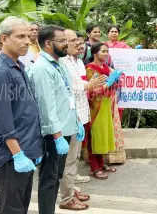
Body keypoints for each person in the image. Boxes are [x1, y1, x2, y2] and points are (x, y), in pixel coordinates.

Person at [0, 17, 44, 214]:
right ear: (4, 38)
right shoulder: (1, 72)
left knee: (21, 207)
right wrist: (17, 153)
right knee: (11, 209)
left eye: (28, 36)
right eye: (20, 36)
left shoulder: (18, 67)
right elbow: (2, 119)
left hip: (26, 149)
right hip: (12, 156)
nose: (27, 41)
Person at [28, 25, 86, 212]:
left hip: (66, 129)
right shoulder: (42, 68)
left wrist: (76, 120)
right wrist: (57, 135)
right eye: (62, 41)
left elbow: (66, 96)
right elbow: (46, 106)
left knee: (56, 175)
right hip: (54, 134)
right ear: (48, 43)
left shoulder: (59, 64)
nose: (66, 45)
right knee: (49, 178)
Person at [59, 29, 106, 203]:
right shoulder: (62, 63)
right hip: (71, 117)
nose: (79, 45)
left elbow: (82, 85)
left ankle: (71, 189)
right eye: (73, 41)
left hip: (81, 114)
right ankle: (67, 196)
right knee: (69, 160)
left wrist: (90, 85)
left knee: (74, 158)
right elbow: (69, 87)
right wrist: (90, 85)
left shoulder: (78, 62)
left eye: (79, 42)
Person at [86, 43, 122, 179]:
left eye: (107, 51)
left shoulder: (107, 68)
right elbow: (90, 91)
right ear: (95, 53)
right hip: (96, 106)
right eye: (103, 51)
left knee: (104, 134)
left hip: (107, 104)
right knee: (95, 135)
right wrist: (108, 84)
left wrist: (116, 79)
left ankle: (101, 163)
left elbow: (115, 85)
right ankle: (94, 167)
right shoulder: (90, 69)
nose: (106, 54)